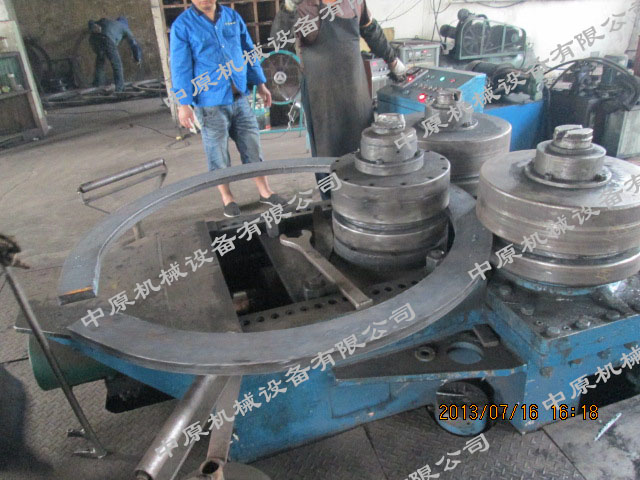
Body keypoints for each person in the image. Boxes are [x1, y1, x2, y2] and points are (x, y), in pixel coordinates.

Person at [170, 0, 285, 218]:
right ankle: (228, 198)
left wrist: (260, 84)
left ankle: (265, 191)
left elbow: (248, 50)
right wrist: (184, 104)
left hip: (239, 97)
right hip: (209, 103)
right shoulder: (182, 26)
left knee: (252, 145)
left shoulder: (232, 17)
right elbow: (180, 66)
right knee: (217, 153)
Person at [286, 0, 407, 197]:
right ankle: (330, 200)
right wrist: (287, 11)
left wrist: (392, 60)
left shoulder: (356, 3)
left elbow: (371, 30)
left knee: (361, 141)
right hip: (321, 93)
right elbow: (281, 37)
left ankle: (363, 194)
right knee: (326, 148)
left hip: (354, 88)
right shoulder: (306, 6)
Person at [88, 16, 142, 92]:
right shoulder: (124, 27)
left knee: (100, 63)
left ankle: (98, 86)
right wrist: (137, 57)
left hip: (94, 40)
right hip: (107, 39)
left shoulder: (108, 21)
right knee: (117, 65)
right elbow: (134, 44)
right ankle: (120, 90)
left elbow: (90, 21)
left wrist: (92, 25)